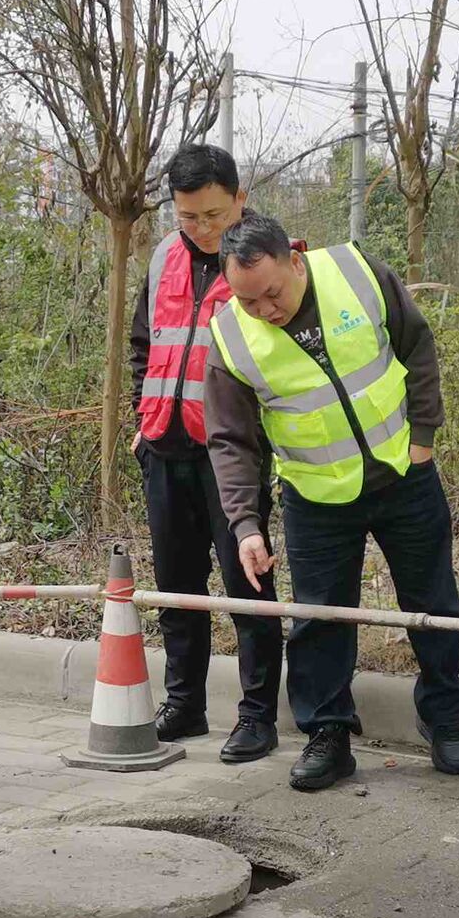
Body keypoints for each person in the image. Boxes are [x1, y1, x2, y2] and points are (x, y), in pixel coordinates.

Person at [204, 213, 459, 792]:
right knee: (318, 620)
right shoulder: (229, 336)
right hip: (315, 496)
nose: (265, 311)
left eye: (272, 293)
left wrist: (423, 438)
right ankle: (328, 736)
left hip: (405, 472)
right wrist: (246, 524)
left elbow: (417, 347)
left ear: (294, 259)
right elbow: (231, 439)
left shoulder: (357, 272)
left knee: (433, 603)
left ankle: (445, 717)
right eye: (249, 301)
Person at [128, 144, 282, 763]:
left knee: (249, 587)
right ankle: (185, 704)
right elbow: (143, 341)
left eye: (213, 216)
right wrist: (139, 420)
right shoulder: (166, 255)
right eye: (187, 216)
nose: (200, 229)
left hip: (233, 456)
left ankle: (257, 715)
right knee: (177, 588)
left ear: (240, 199)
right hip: (164, 444)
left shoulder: (264, 263)